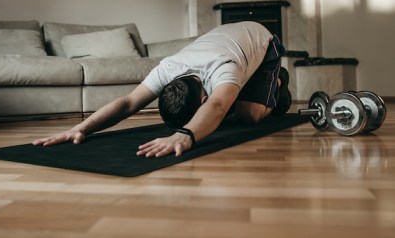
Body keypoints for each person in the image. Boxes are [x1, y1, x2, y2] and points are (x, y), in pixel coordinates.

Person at [33, 21, 291, 158]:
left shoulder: (223, 68)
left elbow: (217, 105)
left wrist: (186, 136)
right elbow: (128, 102)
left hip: (261, 40)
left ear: (203, 98)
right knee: (224, 110)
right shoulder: (168, 69)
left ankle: (277, 82)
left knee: (249, 116)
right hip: (228, 40)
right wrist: (80, 128)